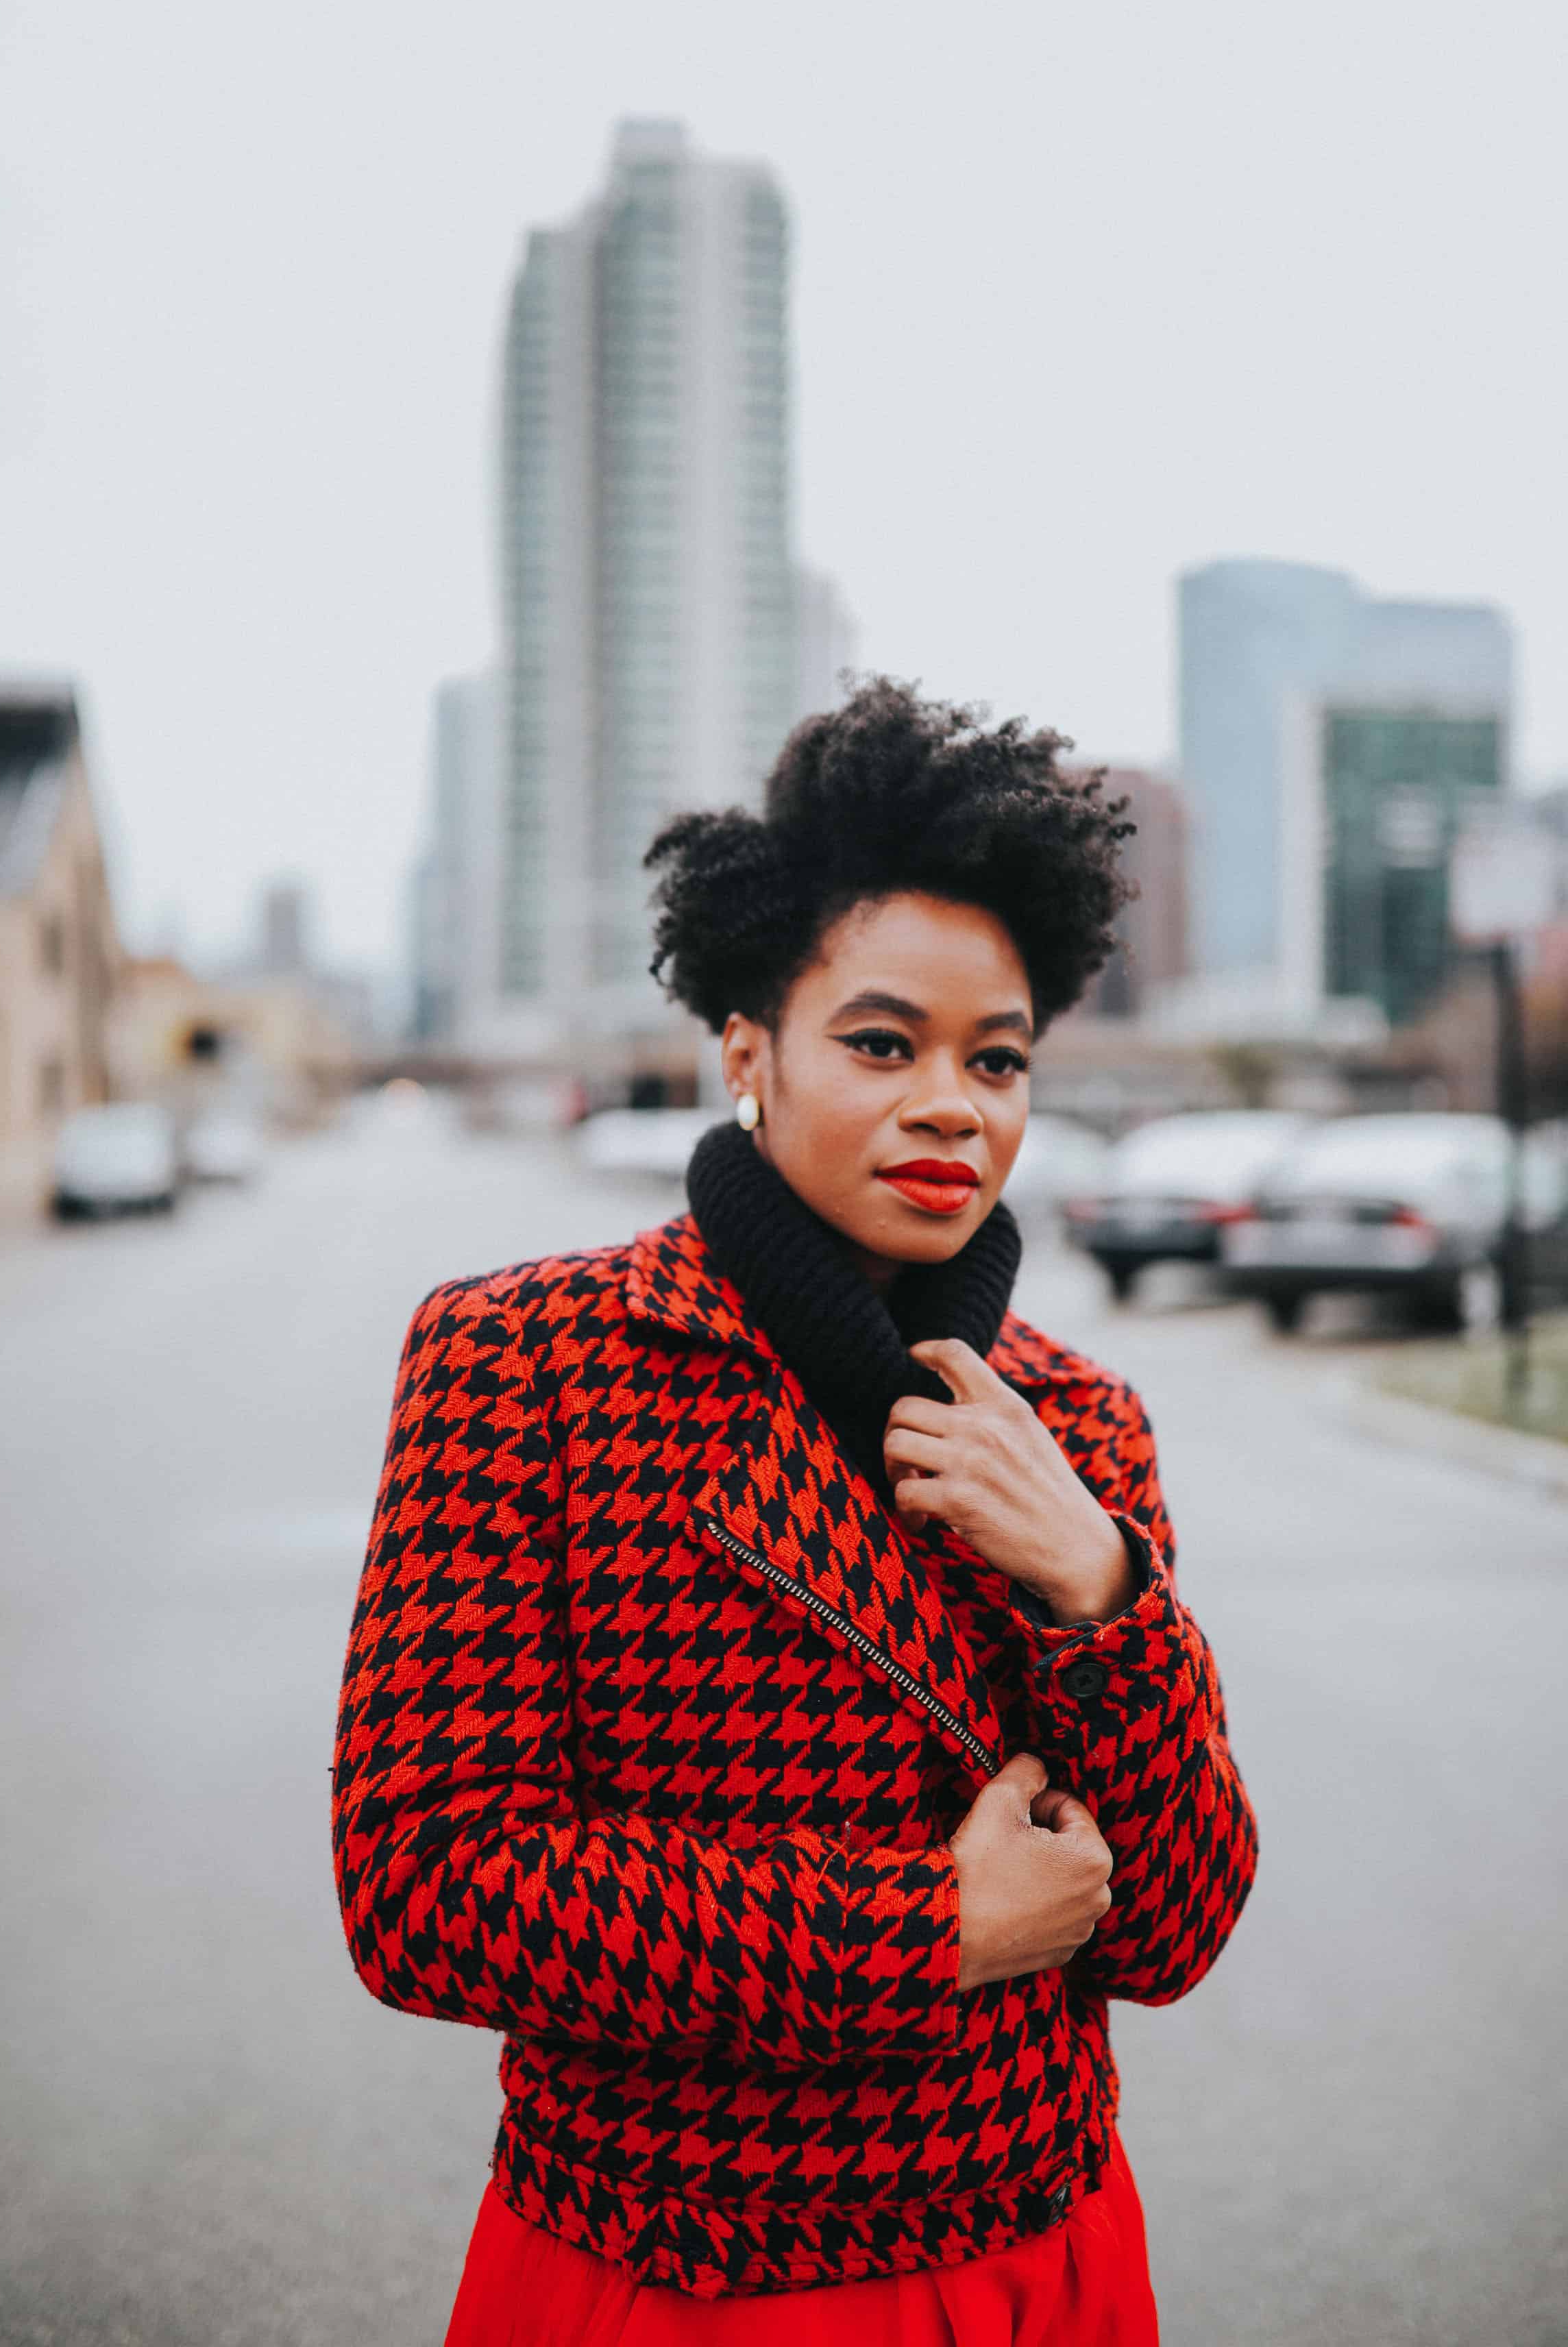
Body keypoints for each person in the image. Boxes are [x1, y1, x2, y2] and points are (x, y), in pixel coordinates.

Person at [332, 680, 1258, 2344]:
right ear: (750, 1054)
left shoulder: (1080, 1429)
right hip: (675, 2279)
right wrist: (930, 1930)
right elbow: (425, 1882)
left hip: (1036, 2258)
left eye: (999, 1059)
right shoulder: (527, 1363)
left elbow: (1179, 1924)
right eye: (885, 1044)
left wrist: (1100, 1587)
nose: (953, 1107)